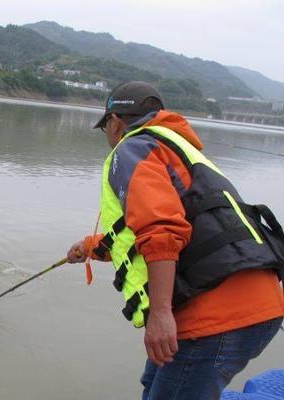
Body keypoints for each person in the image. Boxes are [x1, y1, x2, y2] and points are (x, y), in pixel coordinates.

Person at [66, 81, 284, 400]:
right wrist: (88, 247)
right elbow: (143, 231)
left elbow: (161, 229)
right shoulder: (177, 148)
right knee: (153, 382)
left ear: (114, 122)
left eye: (106, 129)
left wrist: (160, 314)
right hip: (261, 305)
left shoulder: (131, 148)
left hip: (216, 317)